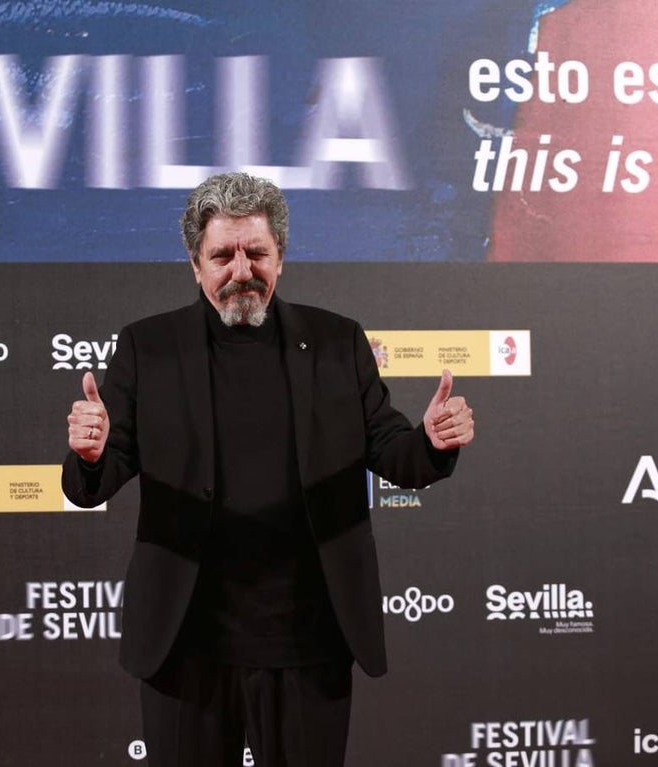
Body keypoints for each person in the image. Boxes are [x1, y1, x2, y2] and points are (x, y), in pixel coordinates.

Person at [62, 172, 474, 766]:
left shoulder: (338, 342)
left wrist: (432, 442)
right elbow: (96, 479)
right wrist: (91, 454)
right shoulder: (148, 348)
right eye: (221, 255)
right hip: (186, 644)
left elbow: (392, 452)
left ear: (280, 257)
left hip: (310, 643)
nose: (240, 271)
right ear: (195, 264)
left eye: (256, 252)